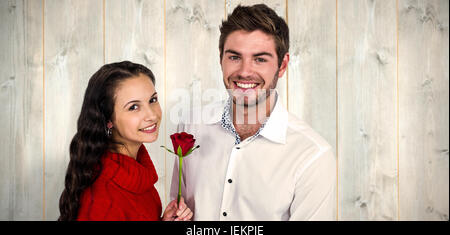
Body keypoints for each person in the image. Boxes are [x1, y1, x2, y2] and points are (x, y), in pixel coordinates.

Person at [170, 4, 336, 220]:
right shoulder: (191, 126)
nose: (245, 72)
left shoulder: (313, 155)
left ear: (283, 65)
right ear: (221, 58)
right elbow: (177, 207)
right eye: (234, 57)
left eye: (260, 59)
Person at [58, 61, 193, 221]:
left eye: (152, 100)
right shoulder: (104, 200)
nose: (152, 115)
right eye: (133, 107)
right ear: (109, 119)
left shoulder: (137, 172)